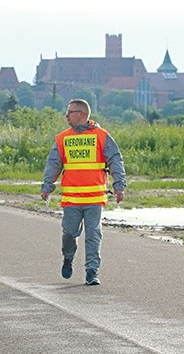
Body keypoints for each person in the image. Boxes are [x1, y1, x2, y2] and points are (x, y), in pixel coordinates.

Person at [40, 99, 126, 286]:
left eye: (69, 112)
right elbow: (54, 164)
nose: (66, 115)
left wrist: (119, 185)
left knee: (93, 234)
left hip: (95, 198)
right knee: (69, 234)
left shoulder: (102, 136)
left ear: (81, 114)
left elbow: (115, 160)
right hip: (71, 199)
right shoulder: (62, 138)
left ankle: (92, 272)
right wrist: (47, 185)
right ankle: (68, 258)